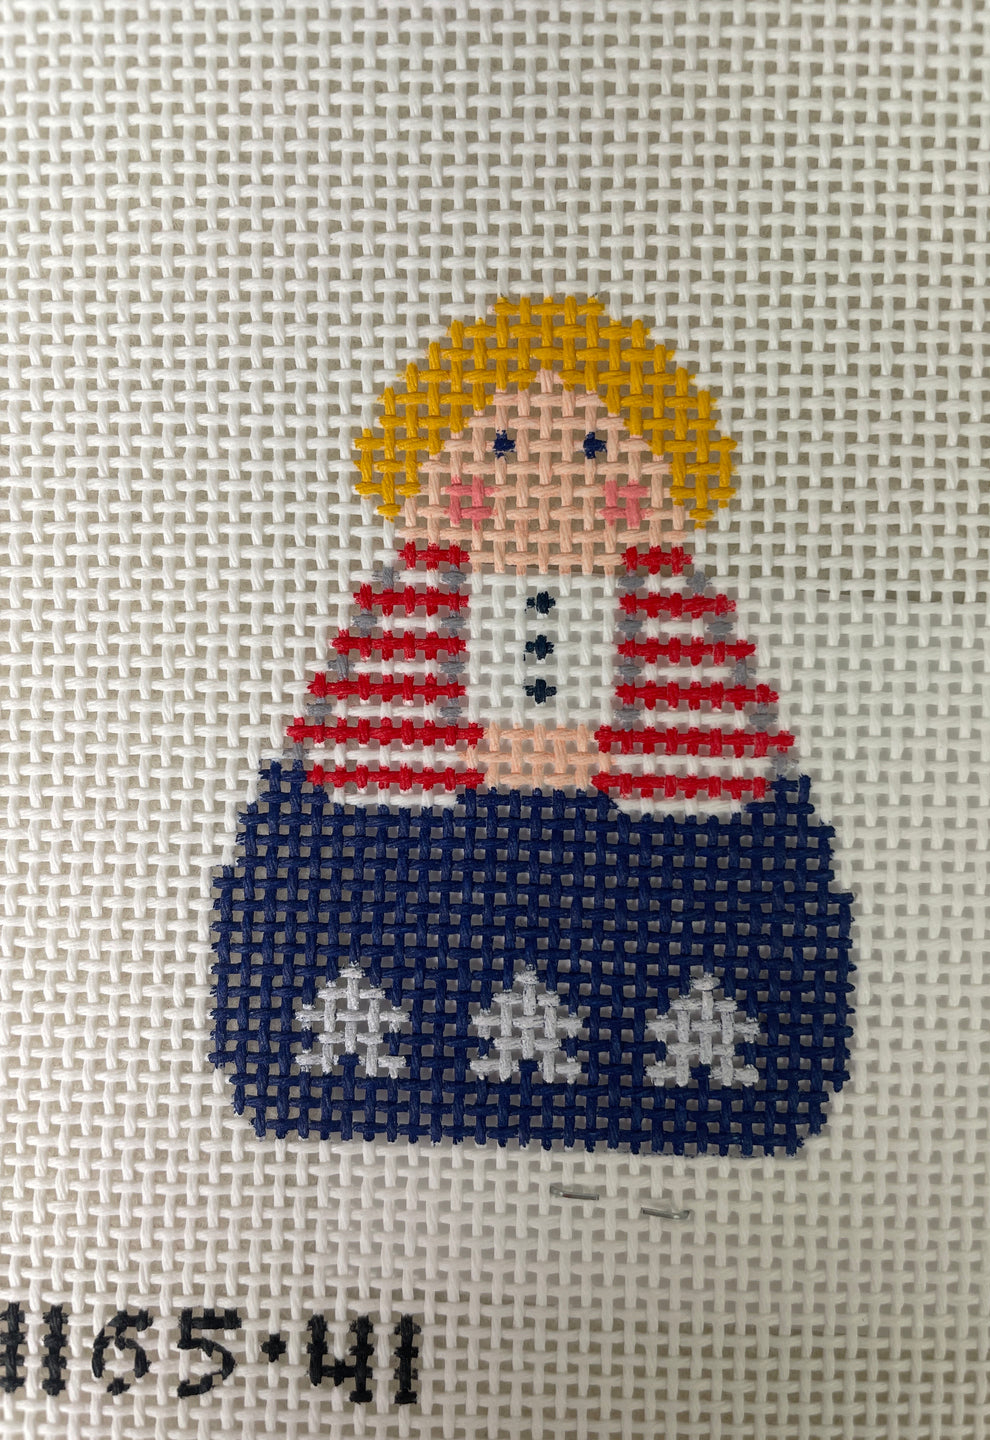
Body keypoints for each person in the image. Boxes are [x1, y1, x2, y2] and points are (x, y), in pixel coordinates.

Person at [212, 296, 854, 1154]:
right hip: (433, 853)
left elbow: (724, 759)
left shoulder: (674, 620)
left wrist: (607, 768)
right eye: (501, 447)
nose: (546, 480)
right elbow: (351, 752)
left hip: (633, 859)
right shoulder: (405, 617)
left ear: (667, 483)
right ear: (423, 476)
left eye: (594, 448)